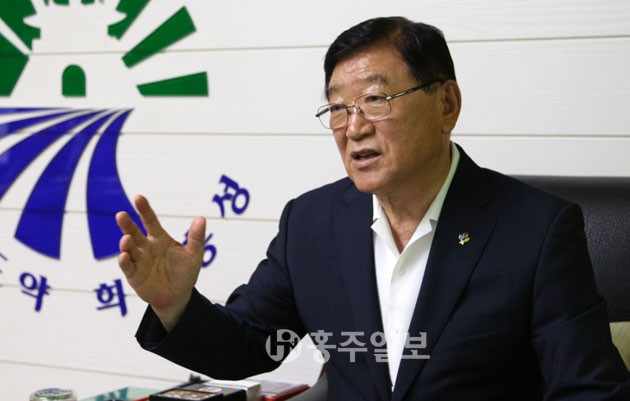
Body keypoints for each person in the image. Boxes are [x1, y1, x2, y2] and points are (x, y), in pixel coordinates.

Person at [116, 16, 630, 401]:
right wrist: (175, 306)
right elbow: (251, 345)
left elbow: (589, 389)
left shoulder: (537, 229)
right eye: (338, 108)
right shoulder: (311, 223)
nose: (354, 127)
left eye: (376, 100)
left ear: (446, 104)